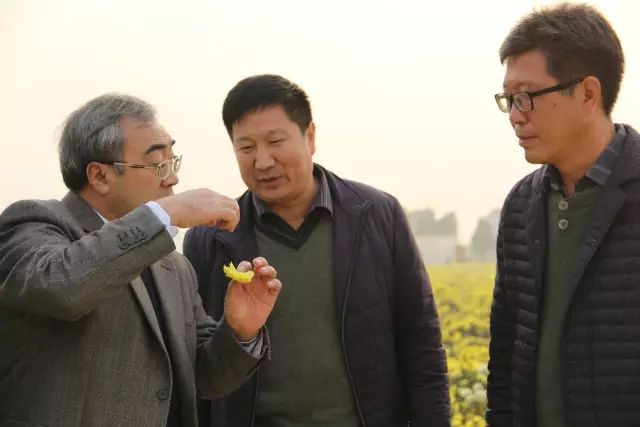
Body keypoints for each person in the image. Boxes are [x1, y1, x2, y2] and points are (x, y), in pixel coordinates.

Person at [0, 93, 282, 427]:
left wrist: (239, 329)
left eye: (173, 161)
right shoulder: (34, 223)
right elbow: (62, 287)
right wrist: (166, 213)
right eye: (158, 164)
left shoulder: (173, 265)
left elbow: (204, 376)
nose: (173, 179)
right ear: (100, 176)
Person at [184, 74, 450, 427]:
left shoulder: (377, 215)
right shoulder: (210, 240)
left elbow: (421, 341)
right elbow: (199, 367)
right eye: (246, 148)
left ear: (310, 136)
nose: (263, 161)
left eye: (275, 141)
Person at [487, 3, 640, 427]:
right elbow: (505, 357)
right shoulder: (521, 205)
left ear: (588, 94)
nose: (515, 115)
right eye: (509, 99)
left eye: (527, 97)